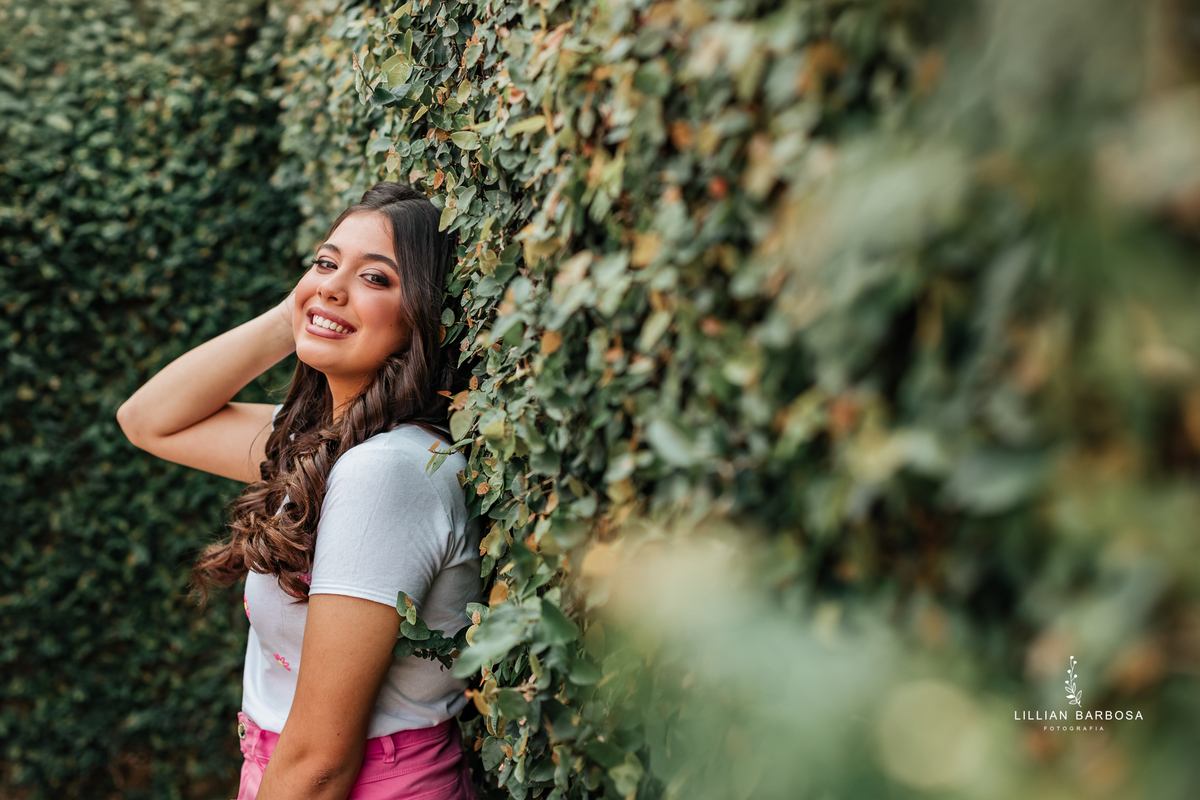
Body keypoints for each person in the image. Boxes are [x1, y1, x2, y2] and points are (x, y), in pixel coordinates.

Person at [116, 182, 482, 800]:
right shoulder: (328, 448)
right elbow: (148, 419)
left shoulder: (386, 472)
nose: (335, 283)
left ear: (425, 313)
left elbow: (317, 764)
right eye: (325, 261)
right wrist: (308, 309)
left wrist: (325, 301)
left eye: (377, 279)